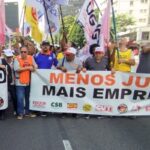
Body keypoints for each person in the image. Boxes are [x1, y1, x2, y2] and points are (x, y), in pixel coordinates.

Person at [57, 47, 83, 118]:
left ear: (73, 55)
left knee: (74, 97)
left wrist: (80, 69)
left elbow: (82, 68)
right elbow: (57, 67)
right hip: (64, 82)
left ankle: (74, 112)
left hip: (74, 82)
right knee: (65, 96)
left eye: (68, 55)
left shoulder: (78, 61)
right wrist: (61, 68)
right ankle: (64, 112)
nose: (66, 56)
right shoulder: (62, 60)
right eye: (66, 54)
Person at [34, 40, 58, 117]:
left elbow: (57, 65)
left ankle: (46, 109)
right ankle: (37, 109)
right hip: (38, 79)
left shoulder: (53, 55)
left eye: (47, 45)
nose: (45, 46)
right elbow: (32, 64)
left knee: (47, 94)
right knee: (38, 94)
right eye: (44, 45)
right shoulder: (36, 55)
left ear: (49, 46)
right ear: (41, 46)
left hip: (48, 79)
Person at [14, 46, 37, 120]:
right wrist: (28, 68)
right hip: (19, 82)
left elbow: (35, 66)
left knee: (28, 98)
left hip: (28, 81)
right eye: (22, 52)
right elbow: (17, 69)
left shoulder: (31, 57)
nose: (23, 53)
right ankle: (20, 113)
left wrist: (34, 68)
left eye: (25, 52)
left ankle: (27, 112)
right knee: (20, 98)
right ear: (20, 52)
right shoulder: (16, 58)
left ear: (27, 52)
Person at [1, 49, 17, 116]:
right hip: (4, 84)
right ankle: (2, 112)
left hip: (13, 83)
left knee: (14, 97)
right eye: (8, 57)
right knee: (4, 97)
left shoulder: (15, 62)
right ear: (5, 56)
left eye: (10, 56)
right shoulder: (2, 61)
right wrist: (2, 66)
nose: (9, 58)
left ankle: (16, 110)